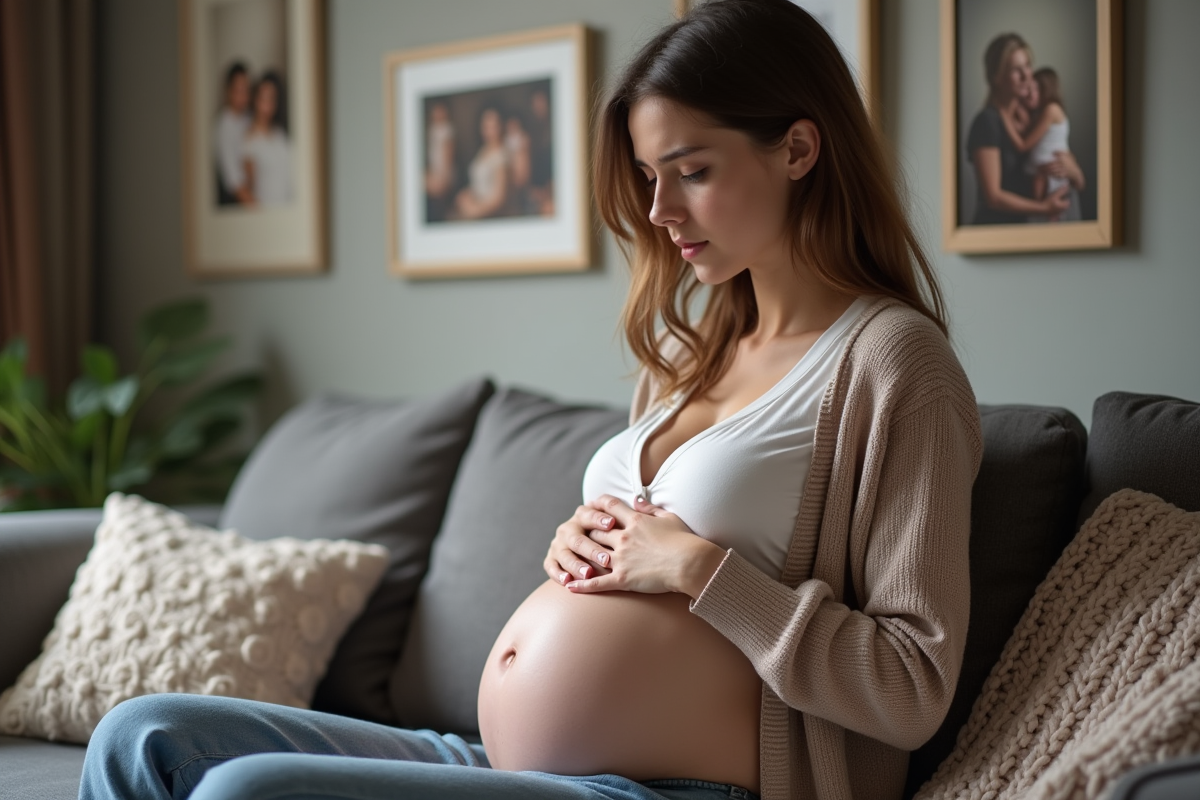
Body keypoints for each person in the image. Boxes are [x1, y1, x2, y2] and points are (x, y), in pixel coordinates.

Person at [78, 2, 981, 799]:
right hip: (507, 760)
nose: (659, 209)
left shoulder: (897, 366)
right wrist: (573, 545)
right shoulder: (685, 356)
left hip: (668, 788)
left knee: (247, 793)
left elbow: (909, 687)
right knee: (141, 735)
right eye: (647, 174)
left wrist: (701, 572)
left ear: (797, 148)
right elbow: (636, 571)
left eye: (690, 169)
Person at [965, 34, 1071, 224]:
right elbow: (993, 197)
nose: (1026, 75)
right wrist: (1044, 208)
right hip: (994, 233)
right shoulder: (987, 122)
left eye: (1028, 66)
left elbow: (1063, 157)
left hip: (1026, 231)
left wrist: (1071, 170)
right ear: (997, 76)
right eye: (1016, 69)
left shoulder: (1032, 118)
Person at [999, 67, 1082, 222]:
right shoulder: (1037, 115)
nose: (1030, 94)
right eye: (1028, 89)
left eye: (1036, 89)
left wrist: (1003, 114)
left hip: (1055, 177)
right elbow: (1023, 131)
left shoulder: (1052, 110)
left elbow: (1023, 145)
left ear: (1046, 90)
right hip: (1040, 178)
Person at [240, 70, 293, 207]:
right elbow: (248, 188)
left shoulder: (281, 134)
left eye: (271, 99)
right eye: (262, 98)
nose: (266, 105)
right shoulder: (248, 140)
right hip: (266, 212)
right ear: (255, 99)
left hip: (288, 208)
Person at [454, 108, 508, 219]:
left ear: (501, 127)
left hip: (488, 216)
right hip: (474, 206)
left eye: (493, 127)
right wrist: (466, 195)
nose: (489, 131)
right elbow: (479, 183)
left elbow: (499, 199)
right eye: (486, 127)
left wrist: (473, 211)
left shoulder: (502, 155)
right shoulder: (483, 150)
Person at [214, 62, 252, 206]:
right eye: (239, 90)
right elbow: (234, 182)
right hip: (238, 203)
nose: (244, 96)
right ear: (228, 91)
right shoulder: (223, 127)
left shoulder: (249, 118)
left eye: (247, 90)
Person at [424, 102, 456, 221]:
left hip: (444, 175)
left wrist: (442, 180)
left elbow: (447, 160)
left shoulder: (447, 130)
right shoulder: (432, 129)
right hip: (434, 173)